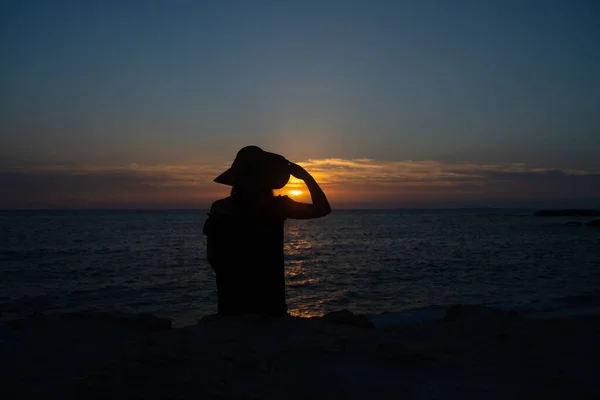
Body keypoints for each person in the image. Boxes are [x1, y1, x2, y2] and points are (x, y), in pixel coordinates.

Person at [203, 145, 331, 316]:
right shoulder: (277, 206)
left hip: (233, 304)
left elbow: (213, 257)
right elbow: (322, 208)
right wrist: (306, 178)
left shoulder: (222, 207)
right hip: (270, 305)